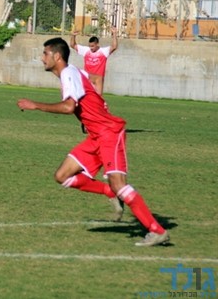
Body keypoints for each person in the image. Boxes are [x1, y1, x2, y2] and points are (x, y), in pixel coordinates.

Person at [16, 37, 169, 247]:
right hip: (96, 135)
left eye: (45, 54)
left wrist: (35, 105)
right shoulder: (74, 71)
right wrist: (96, 109)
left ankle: (157, 231)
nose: (42, 58)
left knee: (119, 184)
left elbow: (69, 107)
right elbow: (95, 80)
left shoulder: (68, 74)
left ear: (57, 56)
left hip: (109, 133)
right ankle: (108, 192)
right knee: (62, 176)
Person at [69, 27, 118, 95]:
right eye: (90, 46)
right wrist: (73, 36)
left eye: (92, 46)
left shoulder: (103, 51)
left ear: (97, 44)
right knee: (86, 97)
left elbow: (114, 46)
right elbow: (73, 45)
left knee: (97, 98)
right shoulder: (86, 50)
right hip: (88, 79)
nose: (91, 48)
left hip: (98, 80)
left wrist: (114, 34)